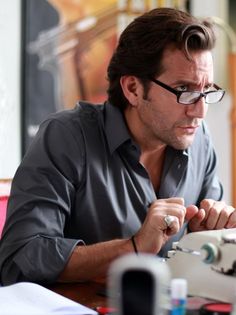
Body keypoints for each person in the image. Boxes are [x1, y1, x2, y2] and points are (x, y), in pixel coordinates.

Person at [0, 7, 235, 285]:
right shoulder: (67, 137)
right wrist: (133, 248)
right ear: (133, 89)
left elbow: (201, 256)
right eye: (184, 91)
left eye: (206, 90)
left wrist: (212, 234)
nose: (199, 111)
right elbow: (21, 259)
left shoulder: (199, 139)